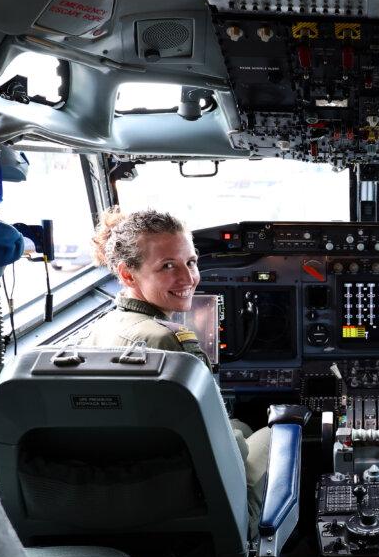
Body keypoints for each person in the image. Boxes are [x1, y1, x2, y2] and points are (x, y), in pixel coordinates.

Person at [77, 207, 271, 530]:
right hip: (204, 505)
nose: (188, 278)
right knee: (278, 433)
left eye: (191, 262)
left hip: (134, 494)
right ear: (128, 275)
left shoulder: (98, 331)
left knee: (241, 426)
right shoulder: (172, 345)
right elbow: (224, 448)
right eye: (168, 266)